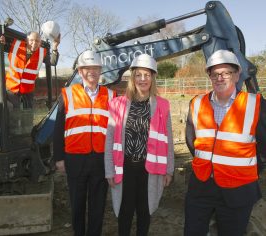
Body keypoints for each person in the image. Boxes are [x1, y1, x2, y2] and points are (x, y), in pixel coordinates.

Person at [184, 49, 266, 236]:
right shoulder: (196, 103)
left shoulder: (256, 104)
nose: (220, 78)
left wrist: (250, 168)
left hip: (238, 189)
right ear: (209, 76)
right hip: (201, 186)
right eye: (215, 73)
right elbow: (192, 141)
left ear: (237, 75)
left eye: (226, 73)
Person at [104, 54, 174, 236]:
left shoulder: (162, 105)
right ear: (132, 77)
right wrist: (109, 170)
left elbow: (169, 140)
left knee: (145, 211)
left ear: (153, 78)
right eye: (138, 75)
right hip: (125, 166)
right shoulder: (117, 104)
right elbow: (110, 139)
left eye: (147, 75)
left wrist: (169, 169)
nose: (143, 79)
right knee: (125, 211)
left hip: (150, 169)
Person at [54, 49, 116, 236]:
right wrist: (59, 158)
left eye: (95, 68)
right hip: (75, 160)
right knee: (77, 205)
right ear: (80, 72)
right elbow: (58, 128)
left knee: (98, 206)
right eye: (86, 68)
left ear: (100, 70)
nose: (91, 72)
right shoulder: (67, 94)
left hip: (101, 159)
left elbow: (116, 130)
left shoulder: (111, 96)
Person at [0, 31, 60, 108]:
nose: (34, 43)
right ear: (26, 40)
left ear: (40, 42)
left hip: (28, 91)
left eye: (37, 41)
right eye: (31, 40)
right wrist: (2, 41)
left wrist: (55, 47)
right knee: (14, 112)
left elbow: (53, 62)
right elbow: (2, 46)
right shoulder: (15, 46)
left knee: (28, 114)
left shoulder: (42, 53)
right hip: (11, 88)